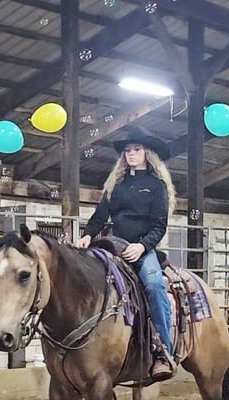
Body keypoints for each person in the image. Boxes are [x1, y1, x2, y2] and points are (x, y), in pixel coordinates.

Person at [78, 126, 177, 381]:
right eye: (128, 150)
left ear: (147, 153)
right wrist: (88, 234)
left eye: (136, 149)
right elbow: (100, 216)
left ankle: (163, 350)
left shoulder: (156, 186)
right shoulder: (116, 185)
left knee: (154, 286)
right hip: (114, 245)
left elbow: (159, 226)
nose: (131, 153)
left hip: (142, 249)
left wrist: (142, 246)